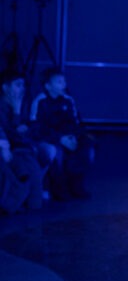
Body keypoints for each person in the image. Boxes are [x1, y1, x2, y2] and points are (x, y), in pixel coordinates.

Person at [30, 67, 94, 200]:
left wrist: (72, 136)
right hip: (49, 138)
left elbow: (75, 122)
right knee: (57, 153)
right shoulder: (40, 101)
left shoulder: (68, 100)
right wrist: (60, 138)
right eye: (59, 82)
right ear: (48, 86)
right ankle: (59, 189)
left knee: (85, 147)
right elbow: (37, 128)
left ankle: (76, 186)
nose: (63, 85)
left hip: (67, 136)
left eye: (64, 81)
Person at [0, 71, 52, 205]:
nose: (22, 89)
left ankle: (36, 191)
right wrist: (16, 113)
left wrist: (25, 128)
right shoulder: (4, 106)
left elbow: (29, 126)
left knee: (47, 152)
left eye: (23, 85)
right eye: (18, 85)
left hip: (24, 143)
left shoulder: (22, 102)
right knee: (27, 161)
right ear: (5, 87)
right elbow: (10, 133)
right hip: (13, 146)